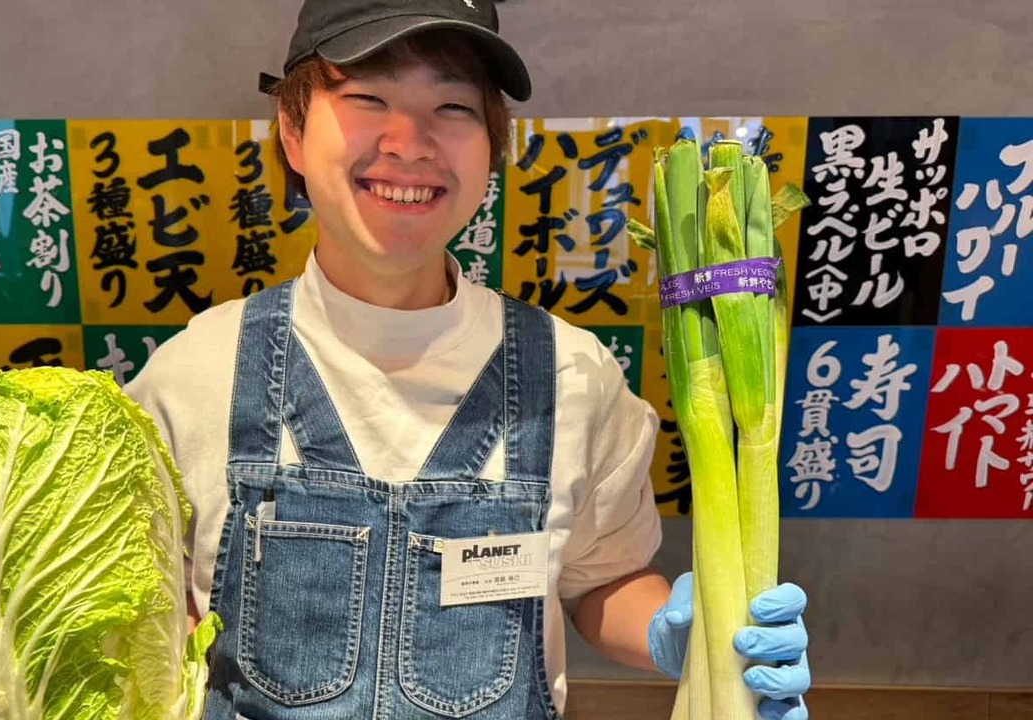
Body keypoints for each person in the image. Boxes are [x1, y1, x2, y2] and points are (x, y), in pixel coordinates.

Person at [125, 1, 811, 718]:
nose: (409, 142)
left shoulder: (573, 377)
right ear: (292, 133)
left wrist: (698, 635)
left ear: (494, 146)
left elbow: (597, 584)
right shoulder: (192, 375)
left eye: (452, 105)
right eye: (368, 97)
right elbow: (137, 631)